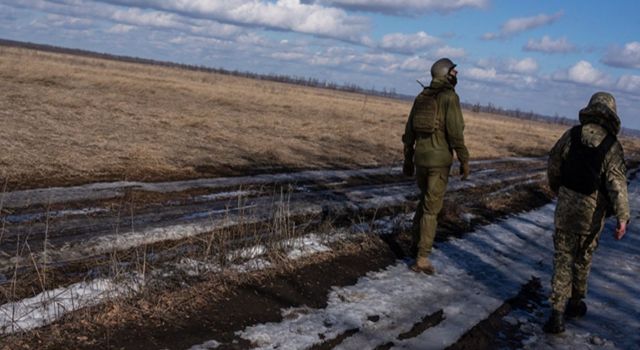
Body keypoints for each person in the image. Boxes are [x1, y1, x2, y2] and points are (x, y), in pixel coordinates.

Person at [544, 91, 630, 334]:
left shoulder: (571, 135)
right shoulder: (612, 146)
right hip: (591, 214)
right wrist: (622, 216)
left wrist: (557, 187)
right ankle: (575, 302)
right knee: (583, 258)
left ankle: (556, 315)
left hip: (565, 209)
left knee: (563, 259)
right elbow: (617, 184)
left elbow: (554, 163)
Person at [401, 58, 470, 274]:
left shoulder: (421, 97)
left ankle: (415, 246)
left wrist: (407, 159)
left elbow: (409, 132)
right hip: (439, 163)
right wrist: (464, 159)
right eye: (453, 71)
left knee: (424, 203)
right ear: (444, 73)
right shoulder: (449, 97)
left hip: (420, 160)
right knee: (432, 210)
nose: (456, 75)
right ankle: (422, 258)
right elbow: (456, 133)